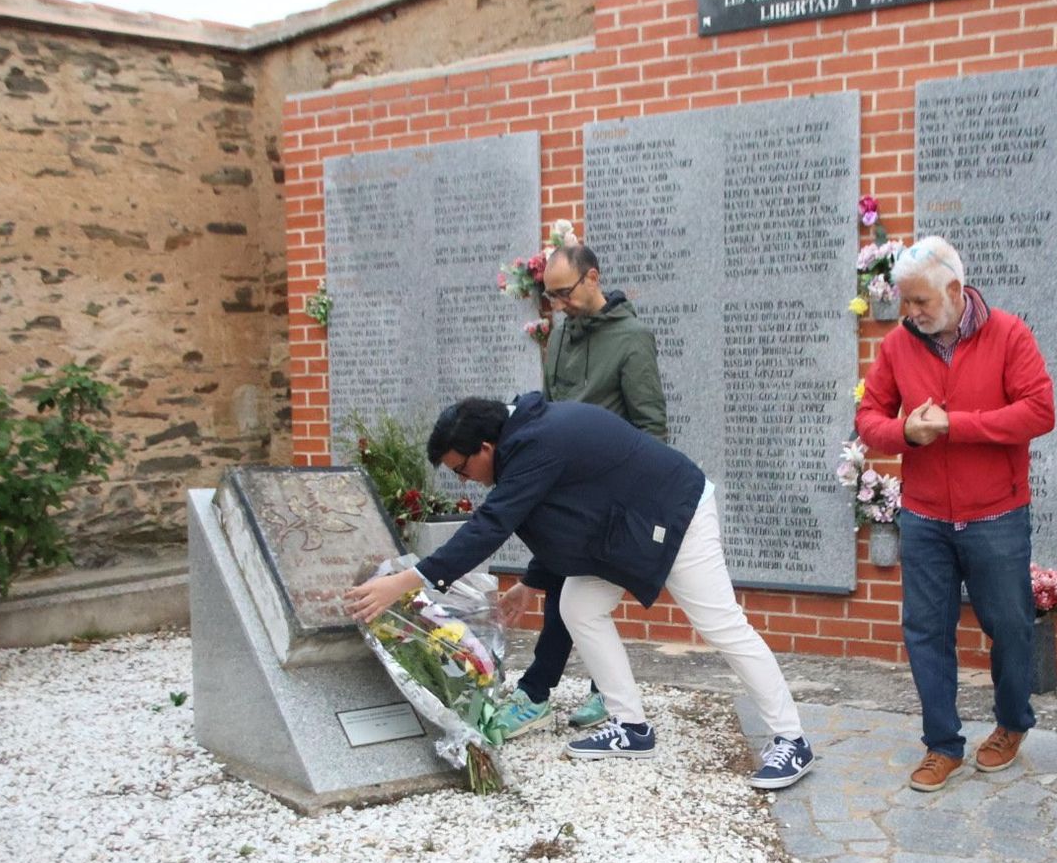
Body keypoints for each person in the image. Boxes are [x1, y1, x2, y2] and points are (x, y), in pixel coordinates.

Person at [345, 394, 814, 790]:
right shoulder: (524, 440)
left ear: (485, 446)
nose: (465, 481)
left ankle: (792, 740)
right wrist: (530, 584)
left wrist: (404, 582)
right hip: (624, 527)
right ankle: (630, 726)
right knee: (578, 605)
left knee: (722, 625)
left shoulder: (533, 443)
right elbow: (565, 515)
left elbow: (492, 525)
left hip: (677, 514)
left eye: (462, 469)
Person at [855, 236, 1056, 793]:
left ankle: (1012, 723)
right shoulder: (899, 345)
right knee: (925, 631)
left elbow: (1040, 411)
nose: (910, 314)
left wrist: (955, 424)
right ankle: (942, 744)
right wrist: (905, 433)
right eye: (905, 303)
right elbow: (870, 417)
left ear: (954, 290)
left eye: (919, 302)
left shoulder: (1010, 334)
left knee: (1011, 627)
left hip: (997, 513)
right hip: (925, 515)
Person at [501, 243, 669, 738]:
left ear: (592, 277)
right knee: (565, 586)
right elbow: (549, 413)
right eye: (550, 297)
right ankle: (597, 687)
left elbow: (651, 425)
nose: (558, 305)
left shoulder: (633, 338)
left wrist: (637, 497)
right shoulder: (557, 338)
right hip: (562, 487)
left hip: (609, 493)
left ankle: (536, 691)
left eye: (564, 293)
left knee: (566, 588)